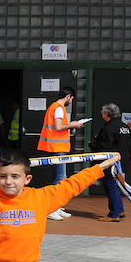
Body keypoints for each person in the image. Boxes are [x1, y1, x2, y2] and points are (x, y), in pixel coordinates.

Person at [37, 86, 83, 221]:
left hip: (56, 147)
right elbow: (58, 127)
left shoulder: (54, 107)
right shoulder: (59, 108)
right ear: (68, 96)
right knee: (60, 177)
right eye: (72, 99)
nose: (71, 102)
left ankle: (56, 207)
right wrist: (73, 125)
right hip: (57, 147)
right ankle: (52, 208)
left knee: (61, 177)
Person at [90, 103, 130, 222]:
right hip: (122, 160)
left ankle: (114, 214)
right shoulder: (125, 127)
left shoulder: (108, 127)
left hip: (110, 162)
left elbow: (105, 145)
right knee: (115, 186)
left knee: (110, 186)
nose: (101, 113)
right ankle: (120, 210)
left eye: (102, 112)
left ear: (107, 114)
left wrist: (93, 144)